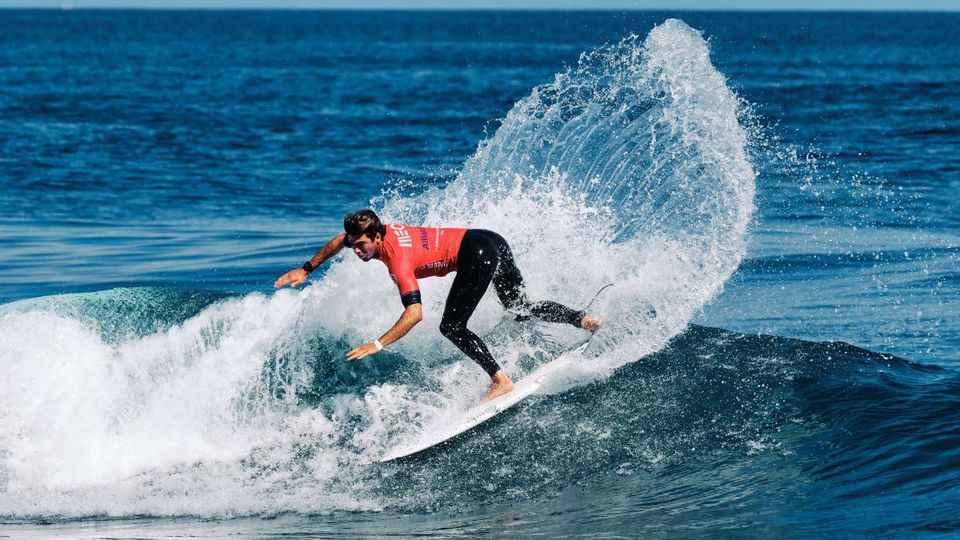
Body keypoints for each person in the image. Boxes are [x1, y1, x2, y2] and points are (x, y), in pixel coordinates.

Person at [275, 209, 601, 402]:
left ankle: (500, 380)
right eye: (355, 245)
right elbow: (338, 240)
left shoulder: (397, 261)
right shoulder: (371, 235)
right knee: (519, 307)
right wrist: (307, 268)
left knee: (451, 327)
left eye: (362, 246)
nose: (357, 251)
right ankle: (582, 319)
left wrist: (378, 343)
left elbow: (415, 314)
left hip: (477, 254)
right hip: (490, 239)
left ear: (377, 237)